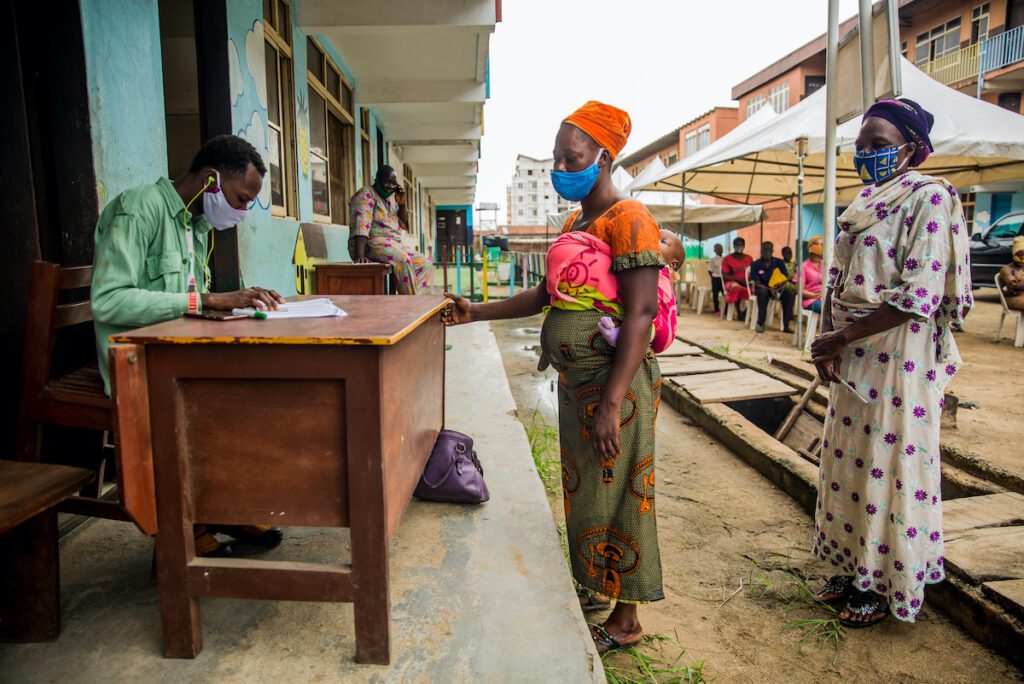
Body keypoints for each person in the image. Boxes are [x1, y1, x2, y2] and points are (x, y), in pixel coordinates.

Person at [444, 101, 664, 653]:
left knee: (622, 489)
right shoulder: (575, 222)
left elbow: (640, 313)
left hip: (618, 388)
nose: (562, 168)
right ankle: (595, 585)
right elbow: (548, 296)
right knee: (586, 487)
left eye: (574, 156)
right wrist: (477, 310)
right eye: (557, 158)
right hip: (577, 386)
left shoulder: (629, 218)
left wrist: (613, 401)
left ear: (604, 156)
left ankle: (628, 617)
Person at [810, 98, 972, 628]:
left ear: (912, 148)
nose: (867, 156)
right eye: (860, 148)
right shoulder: (863, 202)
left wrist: (841, 336)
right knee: (848, 460)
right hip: (851, 350)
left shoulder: (930, 197)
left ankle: (881, 582)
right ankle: (853, 565)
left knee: (891, 462)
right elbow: (838, 278)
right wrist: (824, 339)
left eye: (879, 146)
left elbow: (919, 291)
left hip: (898, 352)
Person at [91, 134, 286, 556]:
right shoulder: (138, 210)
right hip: (136, 364)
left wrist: (228, 308)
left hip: (175, 355)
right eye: (240, 198)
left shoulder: (195, 227)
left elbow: (188, 300)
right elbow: (108, 300)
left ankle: (219, 505)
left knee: (259, 386)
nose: (243, 210)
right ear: (210, 180)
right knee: (221, 402)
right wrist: (207, 301)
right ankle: (182, 526)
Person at [583, 228, 684, 352]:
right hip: (647, 324)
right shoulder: (651, 268)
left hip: (662, 331)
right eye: (653, 238)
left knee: (644, 324)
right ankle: (616, 330)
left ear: (673, 264)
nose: (653, 242)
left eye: (663, 241)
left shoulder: (660, 272)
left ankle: (619, 338)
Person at [348, 165, 432, 294]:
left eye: (394, 183)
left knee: (425, 263)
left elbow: (404, 225)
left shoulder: (391, 199)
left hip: (395, 244)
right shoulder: (366, 193)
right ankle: (412, 304)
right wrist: (359, 256)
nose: (391, 187)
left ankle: (409, 300)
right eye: (387, 182)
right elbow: (361, 224)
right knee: (403, 260)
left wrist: (402, 204)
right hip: (371, 243)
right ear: (377, 180)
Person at [749, 241, 795, 333]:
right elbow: (757, 282)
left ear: (772, 250)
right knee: (762, 293)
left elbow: (785, 278)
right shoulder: (755, 264)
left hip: (777, 288)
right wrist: (769, 289)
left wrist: (778, 289)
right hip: (763, 288)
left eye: (769, 249)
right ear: (761, 251)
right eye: (764, 249)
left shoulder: (779, 262)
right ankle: (761, 324)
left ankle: (786, 325)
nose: (766, 252)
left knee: (790, 293)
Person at [721, 237, 753, 319]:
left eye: (741, 245)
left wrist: (750, 282)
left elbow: (753, 273)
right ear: (733, 246)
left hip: (746, 283)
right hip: (731, 283)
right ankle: (739, 310)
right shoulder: (727, 259)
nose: (739, 247)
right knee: (736, 287)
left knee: (757, 290)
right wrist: (738, 280)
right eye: (737, 245)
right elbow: (724, 276)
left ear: (744, 246)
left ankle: (747, 311)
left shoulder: (749, 259)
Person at [997, 235, 1024, 311]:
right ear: (1014, 255)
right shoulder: (1006, 269)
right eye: (1020, 254)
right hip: (1012, 298)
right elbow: (1014, 287)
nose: (1023, 257)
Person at [800, 236, 825, 313]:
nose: (819, 247)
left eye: (822, 245)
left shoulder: (826, 265)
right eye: (816, 244)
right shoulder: (803, 266)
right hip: (811, 301)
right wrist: (815, 295)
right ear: (809, 247)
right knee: (828, 309)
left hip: (825, 299)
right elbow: (800, 290)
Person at [708, 243, 725, 315]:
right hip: (715, 278)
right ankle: (716, 310)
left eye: (721, 248)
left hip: (723, 278)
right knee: (715, 294)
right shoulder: (713, 260)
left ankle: (725, 310)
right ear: (715, 250)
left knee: (725, 294)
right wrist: (713, 278)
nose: (720, 250)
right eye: (718, 249)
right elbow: (710, 270)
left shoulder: (725, 259)